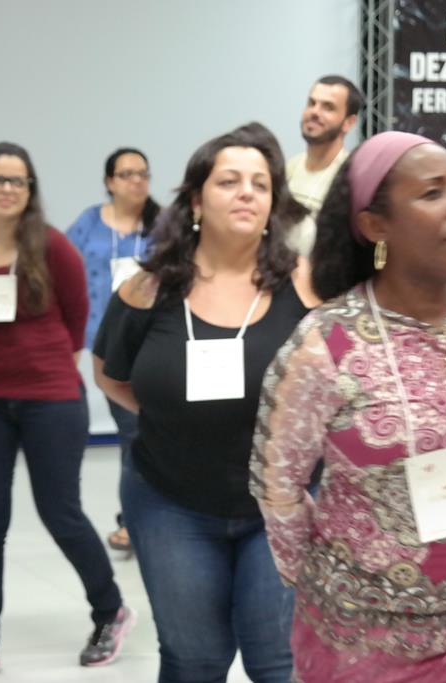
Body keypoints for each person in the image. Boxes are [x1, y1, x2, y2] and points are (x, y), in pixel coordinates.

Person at [250, 131, 446, 682]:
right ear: (374, 225)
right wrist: (320, 579)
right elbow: (279, 485)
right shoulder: (324, 342)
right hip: (358, 631)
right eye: (432, 193)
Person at [93, 122, 318, 682]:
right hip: (170, 502)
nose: (247, 193)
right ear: (196, 200)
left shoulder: (306, 285)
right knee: (194, 660)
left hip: (277, 505)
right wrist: (179, 418)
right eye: (229, 181)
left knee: (277, 663)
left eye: (260, 184)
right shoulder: (147, 287)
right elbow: (110, 375)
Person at [0, 142, 131, 679]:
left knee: (60, 513)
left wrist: (46, 369)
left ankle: (110, 610)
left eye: (18, 181)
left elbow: (78, 317)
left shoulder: (52, 246)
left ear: (30, 192)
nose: (7, 189)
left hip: (51, 399)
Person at [67, 147, 160, 553]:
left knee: (143, 432)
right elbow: (63, 271)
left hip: (154, 341)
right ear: (109, 182)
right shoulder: (88, 223)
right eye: (127, 174)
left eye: (143, 174)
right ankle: (135, 520)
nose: (137, 181)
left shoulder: (163, 225)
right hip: (106, 343)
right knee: (132, 431)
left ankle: (141, 519)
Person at [286, 75, 364, 257]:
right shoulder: (289, 168)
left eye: (328, 107)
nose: (315, 112)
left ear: (349, 123)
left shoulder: (352, 178)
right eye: (311, 103)